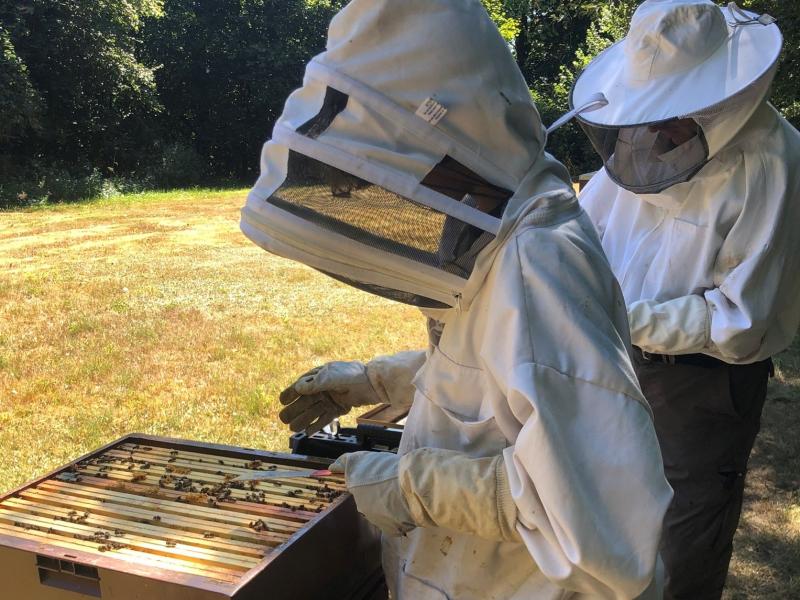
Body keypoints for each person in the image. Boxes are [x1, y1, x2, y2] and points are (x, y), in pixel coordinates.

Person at [241, 0, 672, 598]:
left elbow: (597, 517)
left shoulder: (539, 267)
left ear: (441, 146)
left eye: (372, 174)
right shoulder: (506, 221)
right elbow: (501, 373)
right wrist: (378, 380)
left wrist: (411, 488)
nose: (368, 195)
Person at [567, 1, 800, 598]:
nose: (654, 130)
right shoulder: (641, 137)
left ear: (721, 95)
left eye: (671, 111)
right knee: (593, 524)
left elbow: (740, 322)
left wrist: (617, 317)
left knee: (679, 552)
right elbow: (584, 231)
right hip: (609, 360)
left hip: (700, 387)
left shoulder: (776, 163)